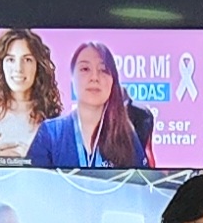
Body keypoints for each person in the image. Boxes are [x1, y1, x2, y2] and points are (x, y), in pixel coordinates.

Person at [25, 40, 154, 169]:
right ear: (72, 78)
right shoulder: (51, 133)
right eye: (85, 69)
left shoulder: (127, 135)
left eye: (103, 70)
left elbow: (142, 185)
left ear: (112, 81)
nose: (94, 77)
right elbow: (30, 183)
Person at [0, 27, 58, 163]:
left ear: (39, 66)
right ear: (1, 65)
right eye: (11, 60)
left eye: (27, 60)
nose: (19, 69)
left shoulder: (53, 124)